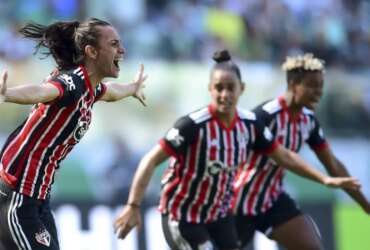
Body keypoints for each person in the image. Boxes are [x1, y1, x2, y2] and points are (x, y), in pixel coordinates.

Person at [113, 50, 359, 250]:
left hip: (219, 215)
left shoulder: (250, 125)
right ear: (210, 89)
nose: (225, 94)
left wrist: (324, 178)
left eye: (230, 88)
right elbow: (150, 160)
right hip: (184, 216)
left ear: (242, 88)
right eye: (219, 88)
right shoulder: (193, 126)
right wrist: (133, 206)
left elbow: (284, 156)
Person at [0, 18, 147, 250]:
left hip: (38, 198)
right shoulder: (72, 84)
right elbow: (43, 91)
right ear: (92, 51)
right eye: (114, 44)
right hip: (19, 195)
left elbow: (109, 92)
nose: (122, 50)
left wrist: (131, 89)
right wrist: (8, 93)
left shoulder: (91, 86)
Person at [231, 53, 370, 250]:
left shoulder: (309, 121)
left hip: (272, 200)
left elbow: (333, 164)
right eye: (312, 86)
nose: (318, 92)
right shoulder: (265, 116)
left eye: (321, 86)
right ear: (294, 84)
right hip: (239, 202)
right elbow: (236, 152)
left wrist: (365, 205)